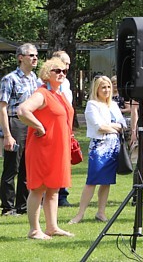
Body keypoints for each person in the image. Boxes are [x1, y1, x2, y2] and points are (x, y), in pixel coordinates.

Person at [16, 57, 75, 239]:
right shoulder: (42, 93)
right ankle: (34, 230)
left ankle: (52, 227)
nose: (61, 74)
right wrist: (39, 126)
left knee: (54, 187)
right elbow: (23, 110)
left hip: (58, 147)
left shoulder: (59, 94)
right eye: (57, 71)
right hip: (43, 147)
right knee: (38, 188)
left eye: (64, 71)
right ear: (46, 73)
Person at [69, 76, 127, 224]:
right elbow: (99, 127)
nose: (107, 90)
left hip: (113, 147)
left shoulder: (113, 105)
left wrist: (112, 126)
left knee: (106, 181)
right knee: (92, 181)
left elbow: (123, 125)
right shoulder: (92, 105)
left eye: (108, 87)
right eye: (103, 87)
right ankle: (80, 214)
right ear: (97, 89)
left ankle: (101, 212)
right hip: (99, 148)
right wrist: (113, 126)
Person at [0, 43, 39, 216]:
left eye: (36, 55)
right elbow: (2, 107)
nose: (35, 58)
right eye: (31, 55)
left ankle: (22, 206)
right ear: (20, 57)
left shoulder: (34, 78)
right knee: (12, 167)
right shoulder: (10, 79)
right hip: (15, 123)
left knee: (27, 167)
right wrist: (7, 135)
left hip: (29, 124)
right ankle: (8, 207)